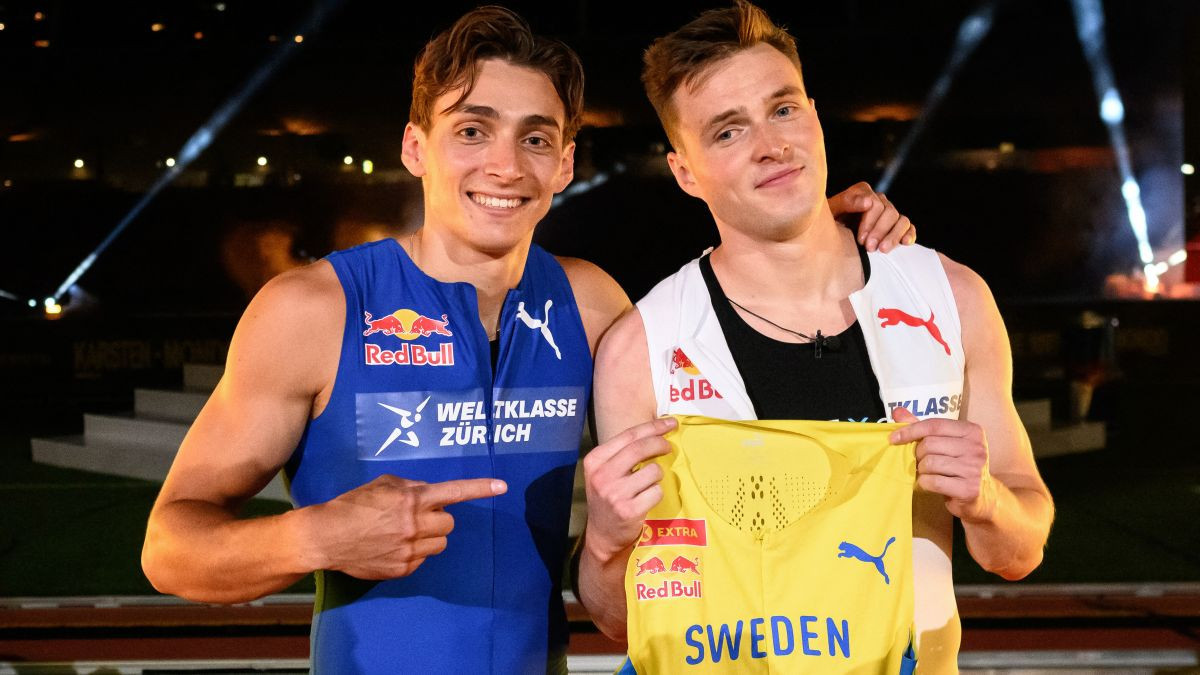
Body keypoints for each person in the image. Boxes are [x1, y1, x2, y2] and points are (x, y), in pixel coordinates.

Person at [141, 6, 916, 674]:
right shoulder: (314, 309)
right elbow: (170, 546)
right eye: (472, 130)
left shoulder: (589, 304)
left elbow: (736, 312)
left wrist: (825, 232)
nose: (505, 166)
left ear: (566, 164)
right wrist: (315, 535)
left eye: (536, 139)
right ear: (416, 147)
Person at [577, 2, 1054, 672]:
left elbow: (1018, 551)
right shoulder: (644, 350)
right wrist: (604, 543)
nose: (771, 143)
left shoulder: (951, 298)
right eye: (726, 132)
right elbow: (621, 623)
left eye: (782, 109)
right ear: (685, 172)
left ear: (814, 115)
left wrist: (987, 499)